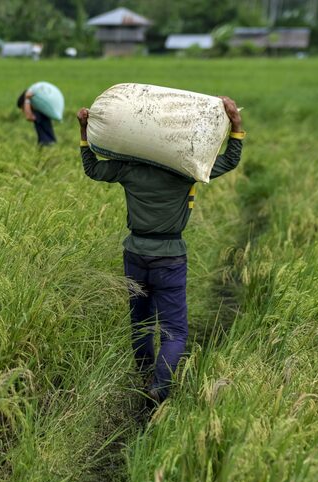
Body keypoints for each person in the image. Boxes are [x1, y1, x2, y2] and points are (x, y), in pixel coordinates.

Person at [76, 97, 245, 406]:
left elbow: (92, 169)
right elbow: (230, 160)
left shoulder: (128, 169)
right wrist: (235, 124)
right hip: (169, 256)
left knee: (140, 323)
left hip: (135, 254)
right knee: (175, 330)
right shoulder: (185, 169)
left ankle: (143, 380)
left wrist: (85, 132)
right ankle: (160, 387)